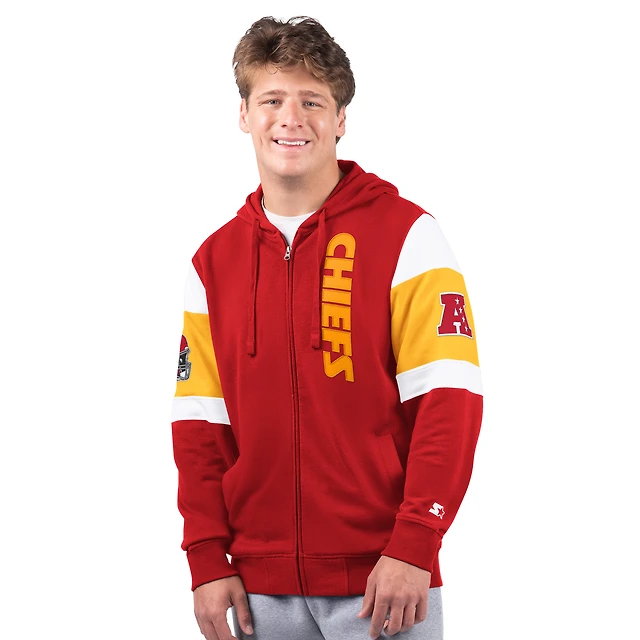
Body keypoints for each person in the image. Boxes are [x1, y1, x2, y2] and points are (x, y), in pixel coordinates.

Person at [171, 15, 483, 640]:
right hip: (255, 591)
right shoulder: (214, 262)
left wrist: (416, 540)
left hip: (385, 584)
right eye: (272, 100)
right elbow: (201, 427)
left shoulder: (407, 236)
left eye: (312, 101)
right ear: (244, 115)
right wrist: (206, 556)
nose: (291, 118)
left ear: (340, 119)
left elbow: (448, 402)